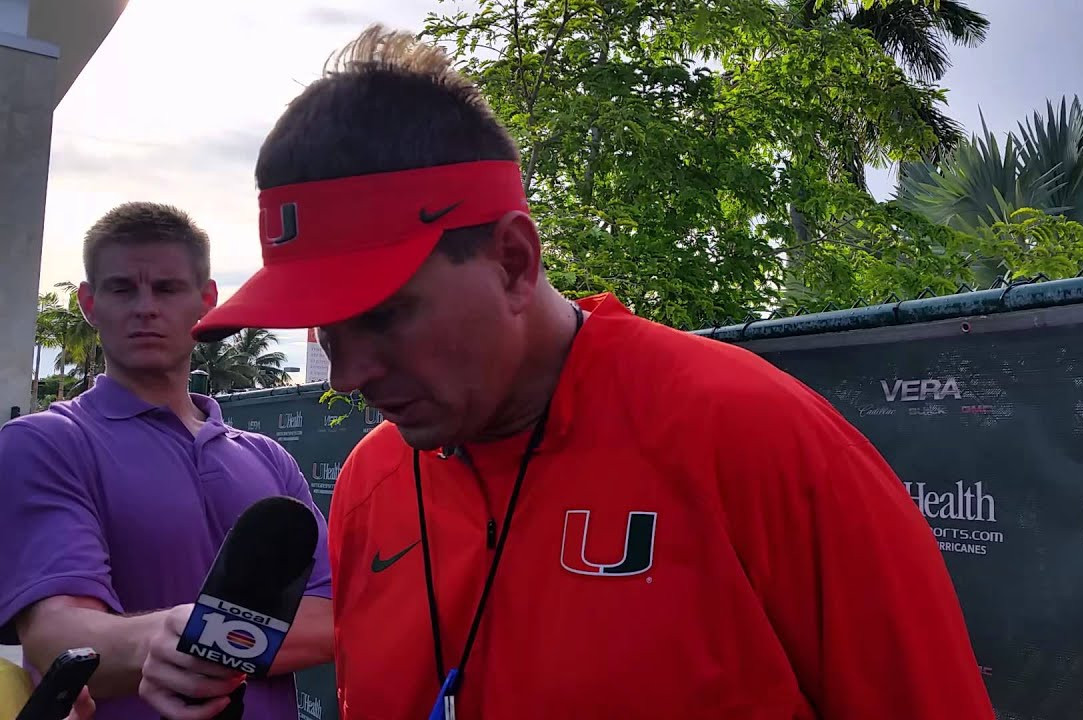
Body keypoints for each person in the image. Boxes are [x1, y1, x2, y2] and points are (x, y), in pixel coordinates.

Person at [190, 24, 996, 720]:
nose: (348, 371)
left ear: (513, 260)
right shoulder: (373, 480)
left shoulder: (757, 439)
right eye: (325, 326)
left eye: (384, 313)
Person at [0, 203, 335, 720]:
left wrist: (196, 640)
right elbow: (58, 638)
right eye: (121, 289)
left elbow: (331, 617)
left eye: (167, 288)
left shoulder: (269, 457)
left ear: (206, 299)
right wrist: (182, 639)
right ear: (90, 303)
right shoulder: (45, 442)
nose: (145, 307)